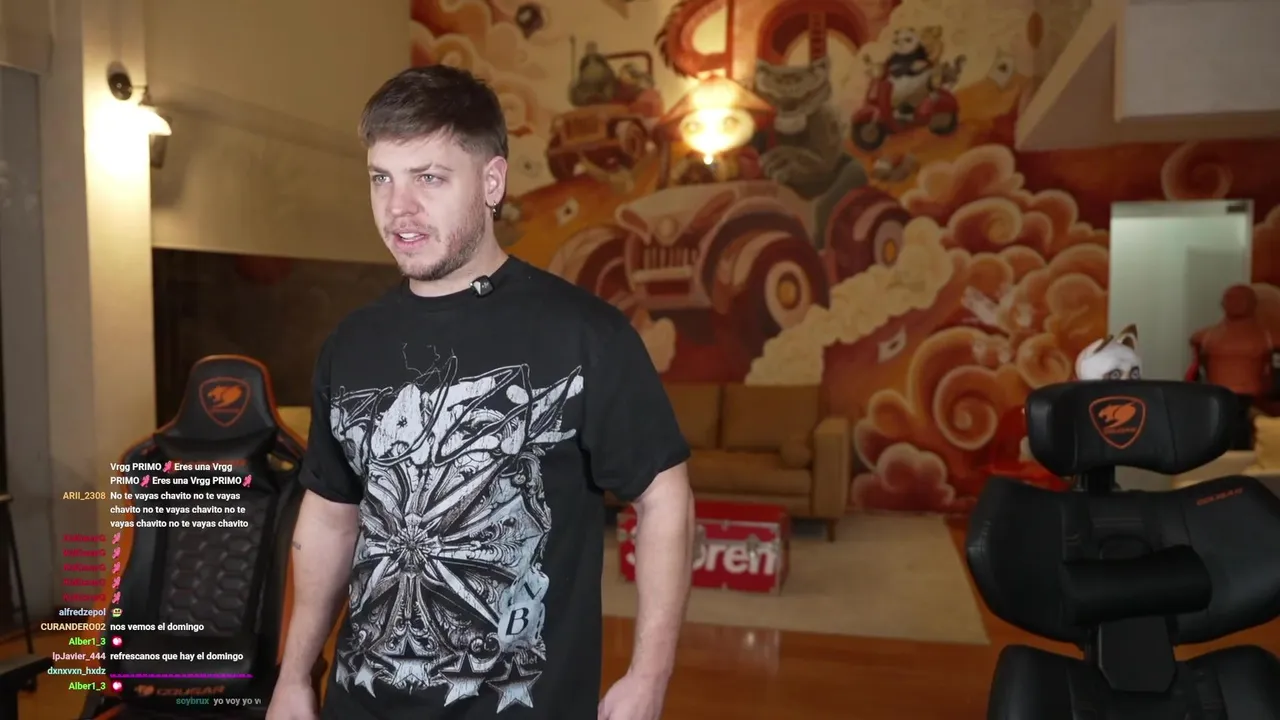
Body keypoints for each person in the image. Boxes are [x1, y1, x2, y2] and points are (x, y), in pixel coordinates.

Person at [265, 64, 695, 720]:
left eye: (429, 178)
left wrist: (650, 676)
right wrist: (295, 675)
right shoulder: (350, 344)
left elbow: (664, 497)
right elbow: (330, 515)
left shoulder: (584, 335)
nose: (398, 209)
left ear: (492, 182)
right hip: (361, 702)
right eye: (382, 178)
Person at [1191, 284, 1273, 450]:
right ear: (1223, 303)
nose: (1236, 304)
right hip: (1219, 398)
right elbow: (1198, 365)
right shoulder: (1204, 337)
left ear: (1253, 304)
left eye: (1241, 300)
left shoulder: (1269, 338)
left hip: (1249, 399)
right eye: (1231, 299)